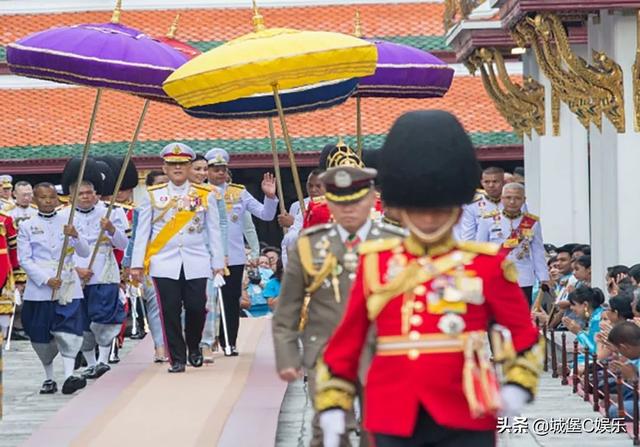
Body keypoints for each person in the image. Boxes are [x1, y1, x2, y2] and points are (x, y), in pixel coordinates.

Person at [314, 111, 543, 447]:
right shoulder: (375, 263)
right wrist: (333, 401)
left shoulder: (487, 265)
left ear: (458, 206)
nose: (430, 218)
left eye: (438, 209)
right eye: (420, 209)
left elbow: (525, 334)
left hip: (466, 408)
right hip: (392, 409)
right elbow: (347, 341)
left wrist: (518, 386)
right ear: (399, 207)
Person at [273, 161, 406, 447]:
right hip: (326, 351)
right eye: (340, 202)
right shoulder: (309, 246)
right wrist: (287, 357)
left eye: (356, 201)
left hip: (382, 351)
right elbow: (287, 308)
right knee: (329, 431)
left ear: (372, 199)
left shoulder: (397, 243)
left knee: (382, 428)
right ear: (327, 202)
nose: (348, 209)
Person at [130, 143, 225, 373]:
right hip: (164, 261)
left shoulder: (204, 195)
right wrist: (136, 265)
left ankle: (194, 346)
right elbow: (142, 232)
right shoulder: (153, 196)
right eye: (172, 164)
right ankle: (176, 358)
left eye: (182, 164)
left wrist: (218, 264)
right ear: (164, 167)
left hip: (196, 259)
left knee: (196, 307)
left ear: (190, 166)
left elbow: (213, 230)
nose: (178, 168)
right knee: (169, 310)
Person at [205, 147, 278, 356]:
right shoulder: (198, 192)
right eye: (215, 169)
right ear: (207, 171)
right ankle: (205, 342)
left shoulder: (239, 192)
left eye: (223, 169)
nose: (220, 173)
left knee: (230, 299)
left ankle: (230, 341)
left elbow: (265, 215)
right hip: (206, 256)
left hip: (233, 257)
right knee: (204, 301)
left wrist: (270, 197)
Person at [17, 183, 89, 394]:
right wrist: (45, 279)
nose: (48, 200)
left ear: (58, 199)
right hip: (40, 289)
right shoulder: (27, 226)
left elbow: (84, 252)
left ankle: (69, 376)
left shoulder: (69, 221)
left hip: (67, 285)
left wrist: (75, 235)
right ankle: (49, 377)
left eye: (51, 197)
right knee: (40, 335)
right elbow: (25, 259)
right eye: (43, 197)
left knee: (70, 330)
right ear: (34, 200)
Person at [64, 159, 130, 380]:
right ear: (72, 196)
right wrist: (75, 270)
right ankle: (91, 362)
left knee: (103, 317)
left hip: (103, 269)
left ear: (97, 193)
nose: (86, 196)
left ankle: (103, 359)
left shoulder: (112, 212)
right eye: (80, 193)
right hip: (75, 271)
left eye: (89, 192)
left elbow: (124, 245)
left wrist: (111, 229)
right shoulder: (64, 216)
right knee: (80, 320)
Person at [476, 182, 549, 303]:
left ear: (524, 199)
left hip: (523, 277)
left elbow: (538, 251)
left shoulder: (531, 222)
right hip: (496, 275)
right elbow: (480, 249)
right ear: (501, 198)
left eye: (517, 198)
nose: (512, 201)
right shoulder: (488, 220)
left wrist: (543, 277)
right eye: (508, 197)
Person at [122, 171, 168, 363]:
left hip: (179, 261)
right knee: (155, 305)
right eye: (158, 184)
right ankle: (159, 346)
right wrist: (131, 264)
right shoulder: (142, 209)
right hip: (152, 262)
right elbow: (135, 239)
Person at [279, 169, 326, 266]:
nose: (313, 190)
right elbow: (288, 240)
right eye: (310, 186)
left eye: (318, 186)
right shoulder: (303, 209)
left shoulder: (337, 207)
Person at [457, 167, 505, 241]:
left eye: (495, 181)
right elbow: (468, 238)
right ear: (481, 183)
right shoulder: (472, 206)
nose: (491, 185)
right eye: (487, 182)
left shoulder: (516, 201)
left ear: (503, 182)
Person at [0, 211, 19, 338]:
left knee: (2, 321)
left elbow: (14, 251)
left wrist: (19, 278)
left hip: (3, 274)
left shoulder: (5, 220)